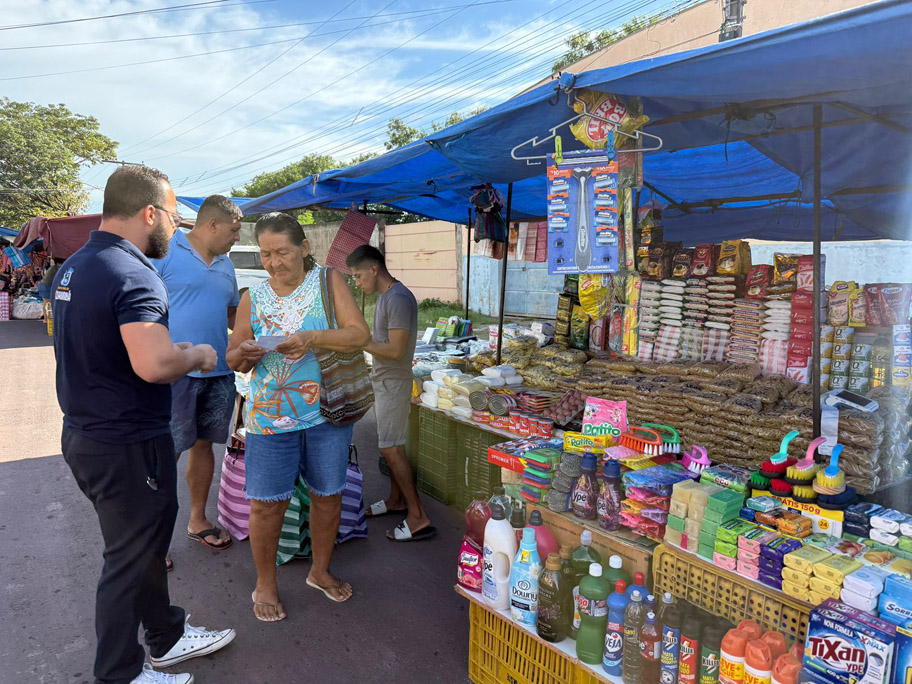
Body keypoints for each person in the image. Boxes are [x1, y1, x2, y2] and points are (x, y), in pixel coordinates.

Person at [52, 165, 235, 684]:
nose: (174, 229)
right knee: (129, 560)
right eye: (173, 217)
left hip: (91, 433)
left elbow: (111, 345)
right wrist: (197, 354)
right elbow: (153, 367)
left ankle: (167, 637)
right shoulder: (133, 272)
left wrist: (164, 349)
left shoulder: (77, 266)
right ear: (149, 212)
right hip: (126, 442)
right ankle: (119, 674)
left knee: (146, 545)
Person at [226, 212, 370, 621]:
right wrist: (246, 354)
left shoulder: (327, 282)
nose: (274, 263)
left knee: (328, 495)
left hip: (327, 412)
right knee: (267, 504)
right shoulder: (253, 297)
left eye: (283, 252)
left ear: (305, 248)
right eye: (267, 254)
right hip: (270, 419)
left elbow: (358, 334)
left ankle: (320, 572)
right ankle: (266, 583)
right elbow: (234, 356)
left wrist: (311, 337)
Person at [153, 195, 243, 559]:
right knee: (165, 452)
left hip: (219, 373)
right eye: (235, 230)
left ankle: (198, 520)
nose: (237, 237)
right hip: (176, 372)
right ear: (213, 225)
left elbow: (234, 315)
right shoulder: (164, 254)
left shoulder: (226, 265)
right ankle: (151, 541)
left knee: (204, 446)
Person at [346, 245, 435, 543]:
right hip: (385, 380)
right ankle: (396, 500)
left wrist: (360, 342)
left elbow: (396, 351)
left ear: (373, 269)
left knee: (390, 449)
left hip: (394, 382)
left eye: (358, 276)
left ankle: (418, 515)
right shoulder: (387, 297)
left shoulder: (397, 298)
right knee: (392, 445)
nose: (357, 283)